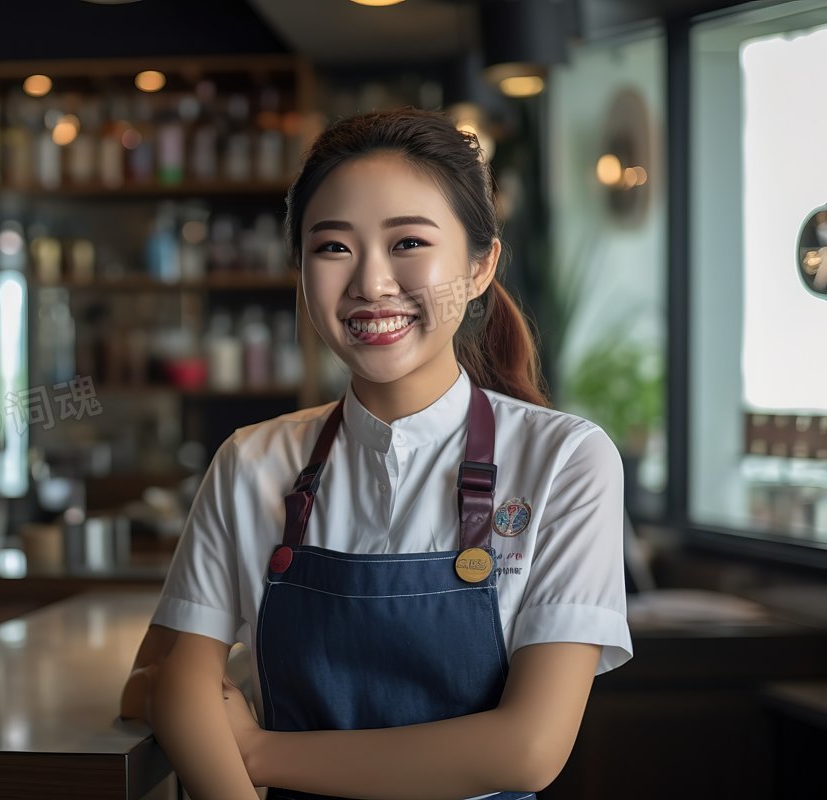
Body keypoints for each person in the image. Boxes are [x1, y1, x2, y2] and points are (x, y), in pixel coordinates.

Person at [120, 108, 633, 800]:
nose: (370, 282)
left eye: (409, 242)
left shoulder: (566, 460)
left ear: (480, 266)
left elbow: (527, 749)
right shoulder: (253, 461)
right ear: (299, 268)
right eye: (332, 248)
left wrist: (261, 754)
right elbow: (162, 679)